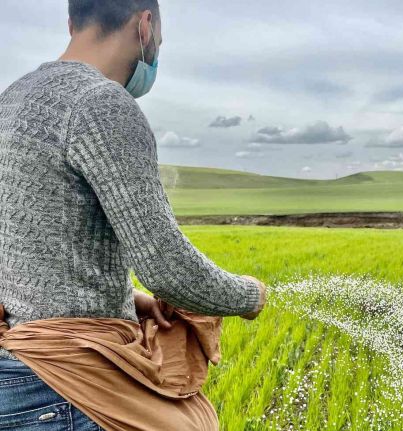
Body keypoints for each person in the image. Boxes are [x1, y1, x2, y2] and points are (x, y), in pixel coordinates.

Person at [0, 0, 266, 428]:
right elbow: (166, 268)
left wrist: (126, 298)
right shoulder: (101, 104)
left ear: (72, 24)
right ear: (145, 26)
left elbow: (29, 249)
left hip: (14, 379)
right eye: (159, 36)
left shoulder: (11, 100)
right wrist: (249, 296)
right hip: (69, 389)